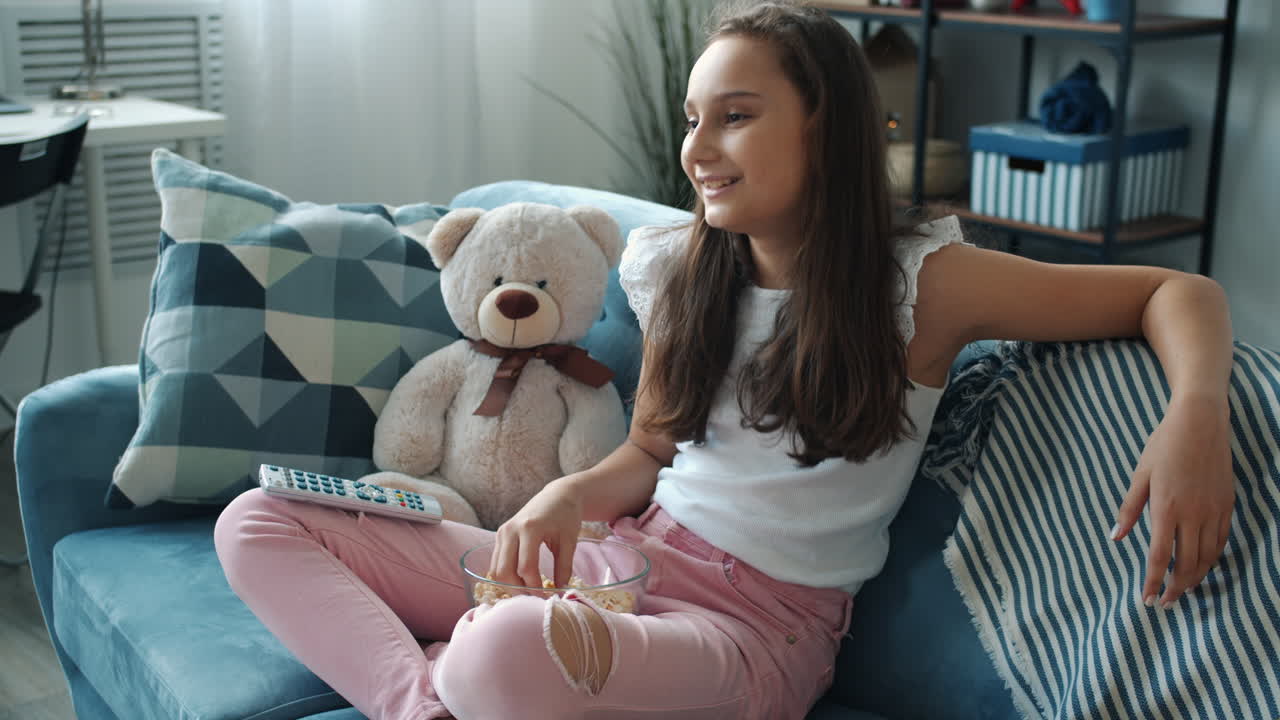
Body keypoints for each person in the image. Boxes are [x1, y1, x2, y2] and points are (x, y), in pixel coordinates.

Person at [214, 2, 1237, 718]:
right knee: (260, 520)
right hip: (617, 565)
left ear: (823, 125)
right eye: (693, 119)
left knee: (494, 652)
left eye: (735, 116)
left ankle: (478, 680)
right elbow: (648, 451)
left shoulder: (923, 280)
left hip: (758, 637)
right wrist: (568, 498)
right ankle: (424, 706)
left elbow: (1172, 291)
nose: (699, 147)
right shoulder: (675, 266)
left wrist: (1194, 417)